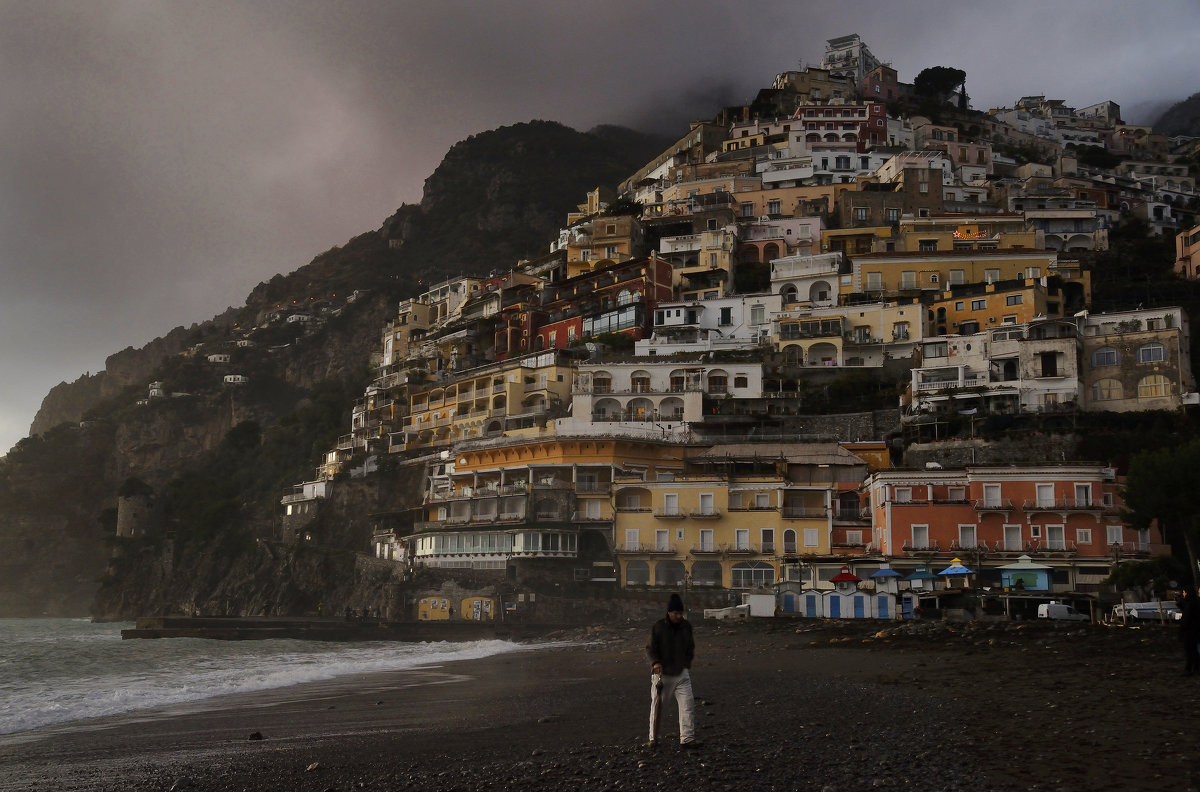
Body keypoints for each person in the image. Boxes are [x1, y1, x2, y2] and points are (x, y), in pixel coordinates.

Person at [644, 592, 697, 749]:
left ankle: (687, 738)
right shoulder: (659, 627)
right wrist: (655, 663)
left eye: (680, 613)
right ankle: (653, 738)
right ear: (669, 612)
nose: (679, 616)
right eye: (676, 613)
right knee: (658, 705)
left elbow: (690, 647)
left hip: (681, 673)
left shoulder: (686, 627)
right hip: (663, 674)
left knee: (688, 704)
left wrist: (686, 662)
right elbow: (650, 648)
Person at [1178, 587, 1200, 676]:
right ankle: (1195, 668)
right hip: (1196, 631)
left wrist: (1182, 629)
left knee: (1190, 651)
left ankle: (1189, 669)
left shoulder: (1190, 604)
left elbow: (1186, 617)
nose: (1183, 594)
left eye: (1183, 592)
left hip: (1190, 631)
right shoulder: (1196, 601)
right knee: (1194, 651)